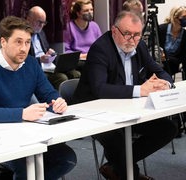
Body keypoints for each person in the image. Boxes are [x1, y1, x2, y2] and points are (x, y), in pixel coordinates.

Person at [72, 11, 177, 180]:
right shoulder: (100, 49)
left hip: (129, 109)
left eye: (137, 35)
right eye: (127, 34)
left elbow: (159, 71)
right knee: (117, 140)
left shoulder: (139, 45)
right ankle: (130, 174)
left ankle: (116, 166)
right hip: (95, 112)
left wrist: (165, 84)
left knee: (168, 128)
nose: (132, 40)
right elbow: (100, 89)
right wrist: (140, 90)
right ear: (114, 31)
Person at [0, 16, 77, 180]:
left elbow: (48, 94)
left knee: (67, 159)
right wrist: (22, 114)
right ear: (3, 42)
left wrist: (57, 102)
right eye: (18, 42)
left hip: (27, 133)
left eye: (27, 42)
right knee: (28, 168)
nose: (24, 48)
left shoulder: (31, 64)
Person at [27, 6, 80, 90]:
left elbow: (46, 50)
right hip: (36, 69)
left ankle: (75, 101)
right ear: (28, 19)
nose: (42, 25)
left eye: (44, 23)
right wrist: (40, 60)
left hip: (48, 66)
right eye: (39, 22)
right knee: (61, 78)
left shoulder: (41, 33)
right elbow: (22, 60)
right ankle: (57, 101)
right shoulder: (22, 35)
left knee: (75, 74)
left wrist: (51, 53)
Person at [158, 6, 186, 79]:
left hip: (173, 65)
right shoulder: (161, 29)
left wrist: (167, 58)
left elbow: (182, 57)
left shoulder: (185, 34)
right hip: (158, 64)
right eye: (184, 17)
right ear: (175, 18)